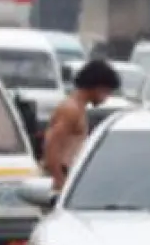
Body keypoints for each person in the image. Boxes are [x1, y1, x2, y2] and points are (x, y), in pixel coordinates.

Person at [42, 59, 119, 190]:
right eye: (107, 91)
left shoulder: (79, 109)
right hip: (62, 176)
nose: (106, 97)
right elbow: (51, 146)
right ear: (97, 87)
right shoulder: (71, 110)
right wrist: (59, 181)